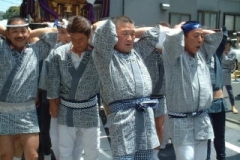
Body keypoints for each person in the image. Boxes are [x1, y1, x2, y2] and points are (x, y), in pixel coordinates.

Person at [92, 15, 166, 159]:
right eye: (125, 34)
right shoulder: (105, 55)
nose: (130, 38)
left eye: (132, 34)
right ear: (113, 35)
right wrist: (117, 29)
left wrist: (132, 31)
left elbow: (156, 32)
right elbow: (99, 28)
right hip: (122, 118)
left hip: (145, 118)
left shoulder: (137, 51)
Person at [162, 21, 223, 160]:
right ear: (183, 37)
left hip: (201, 119)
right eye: (195, 36)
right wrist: (180, 28)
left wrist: (198, 29)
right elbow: (172, 38)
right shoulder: (172, 56)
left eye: (201, 36)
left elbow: (216, 37)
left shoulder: (202, 53)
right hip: (181, 121)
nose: (200, 40)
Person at [0, 16, 57, 160]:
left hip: (27, 111)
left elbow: (53, 32)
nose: (19, 35)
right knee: (5, 155)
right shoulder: (2, 48)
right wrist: (8, 32)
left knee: (32, 155)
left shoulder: (36, 50)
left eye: (22, 31)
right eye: (15, 32)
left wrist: (28, 34)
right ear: (7, 33)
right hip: (3, 110)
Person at [47, 15, 100, 160]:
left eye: (81, 40)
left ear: (89, 36)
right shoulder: (58, 53)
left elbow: (108, 35)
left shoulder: (97, 53)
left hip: (89, 108)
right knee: (65, 149)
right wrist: (53, 104)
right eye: (73, 39)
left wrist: (94, 27)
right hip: (66, 108)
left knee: (92, 149)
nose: (77, 43)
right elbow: (53, 81)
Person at [38, 19, 71, 160]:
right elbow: (44, 76)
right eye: (63, 32)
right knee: (45, 126)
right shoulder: (53, 48)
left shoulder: (81, 49)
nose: (66, 36)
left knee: (67, 129)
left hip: (69, 96)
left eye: (69, 32)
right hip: (47, 93)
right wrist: (39, 93)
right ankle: (46, 152)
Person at [144, 21, 171, 160]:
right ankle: (146, 153)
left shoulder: (169, 52)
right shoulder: (146, 49)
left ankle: (155, 154)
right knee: (147, 128)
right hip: (147, 97)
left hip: (161, 95)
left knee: (159, 127)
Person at [206, 26, 229, 160]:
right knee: (206, 137)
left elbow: (224, 35)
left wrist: (212, 31)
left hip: (219, 101)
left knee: (220, 136)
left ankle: (222, 158)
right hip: (205, 102)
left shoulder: (217, 53)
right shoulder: (200, 54)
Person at [222, 38, 238, 114]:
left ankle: (233, 106)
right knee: (218, 90)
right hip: (219, 71)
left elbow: (228, 62)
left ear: (228, 44)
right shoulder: (221, 50)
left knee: (229, 90)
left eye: (225, 43)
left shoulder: (232, 52)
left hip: (226, 72)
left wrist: (224, 55)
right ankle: (220, 106)